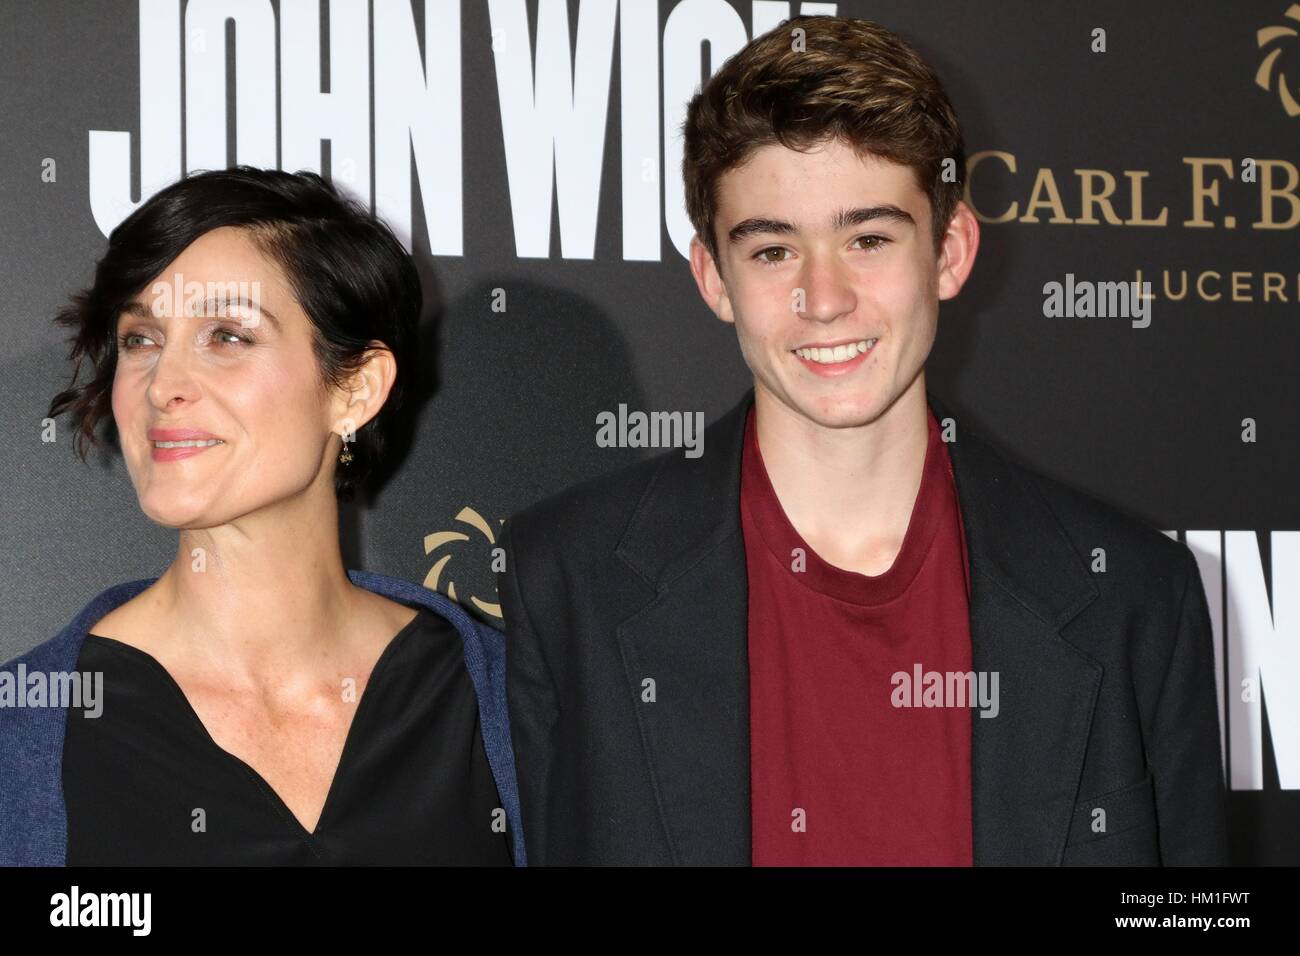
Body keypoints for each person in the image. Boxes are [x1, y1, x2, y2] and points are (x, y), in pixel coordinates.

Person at [497, 15, 1228, 865]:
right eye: (773, 251)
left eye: (869, 239)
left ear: (949, 253)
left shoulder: (1134, 595)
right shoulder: (571, 579)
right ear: (713, 279)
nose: (824, 296)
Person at [0, 166, 524, 866]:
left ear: (356, 389)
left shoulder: (507, 704)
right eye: (141, 339)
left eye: (227, 336)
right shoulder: (29, 726)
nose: (164, 386)